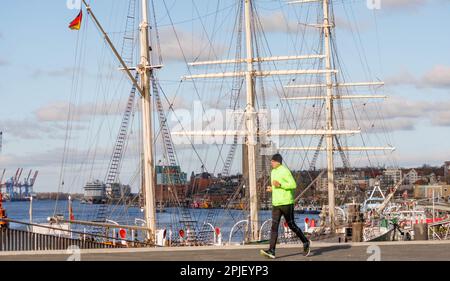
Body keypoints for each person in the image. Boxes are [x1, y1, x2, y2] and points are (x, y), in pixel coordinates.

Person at [260, 153, 310, 259]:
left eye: (273, 161)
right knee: (274, 227)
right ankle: (272, 251)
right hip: (276, 204)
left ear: (278, 162)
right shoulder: (273, 172)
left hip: (287, 203)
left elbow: (293, 185)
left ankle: (305, 242)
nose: (271, 163)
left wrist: (280, 185)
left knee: (291, 225)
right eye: (271, 161)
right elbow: (276, 186)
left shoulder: (285, 171)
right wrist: (272, 188)